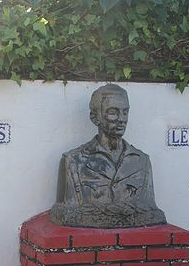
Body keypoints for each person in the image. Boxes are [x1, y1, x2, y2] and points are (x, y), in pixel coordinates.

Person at [50, 84, 166, 228]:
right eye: (113, 112)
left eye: (125, 112)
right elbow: (66, 212)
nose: (121, 119)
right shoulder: (73, 161)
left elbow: (151, 210)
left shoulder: (142, 161)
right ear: (95, 117)